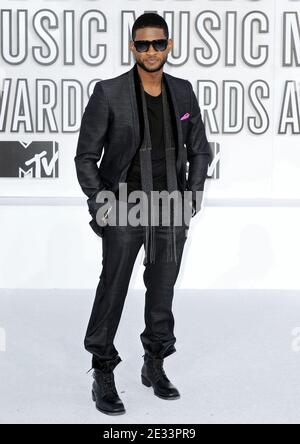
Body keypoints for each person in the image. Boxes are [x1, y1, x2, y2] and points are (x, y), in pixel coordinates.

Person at [74, 12, 212, 416]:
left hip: (170, 205)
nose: (150, 51)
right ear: (132, 47)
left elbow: (201, 147)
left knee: (163, 290)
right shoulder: (109, 92)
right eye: (142, 44)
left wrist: (194, 193)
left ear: (169, 45)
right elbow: (85, 157)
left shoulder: (183, 93)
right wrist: (101, 201)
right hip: (125, 206)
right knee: (113, 288)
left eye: (157, 43)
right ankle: (102, 369)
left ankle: (154, 364)